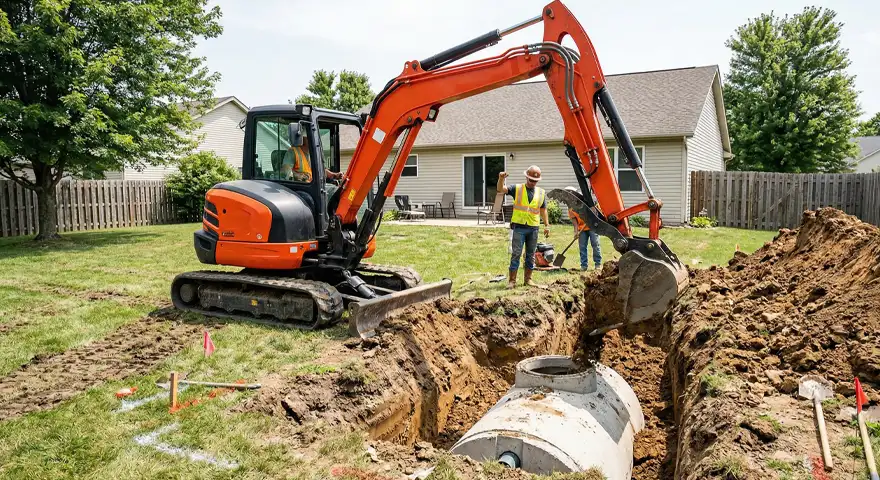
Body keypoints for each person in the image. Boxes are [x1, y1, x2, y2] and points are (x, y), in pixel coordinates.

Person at [497, 165, 550, 289]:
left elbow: (543, 210)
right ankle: (512, 281)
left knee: (530, 254)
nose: (532, 182)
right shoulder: (517, 188)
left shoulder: (541, 192)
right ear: (526, 177)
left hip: (534, 228)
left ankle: (528, 279)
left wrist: (547, 225)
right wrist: (501, 178)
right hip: (519, 227)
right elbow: (500, 189)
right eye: (531, 180)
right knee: (516, 253)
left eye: (535, 181)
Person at [565, 187, 602, 270]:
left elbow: (597, 212)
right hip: (582, 229)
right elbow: (574, 221)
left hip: (592, 226)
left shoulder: (585, 201)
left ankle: (598, 264)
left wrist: (594, 211)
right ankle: (584, 266)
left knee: (595, 244)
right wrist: (576, 231)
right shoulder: (570, 207)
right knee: (582, 247)